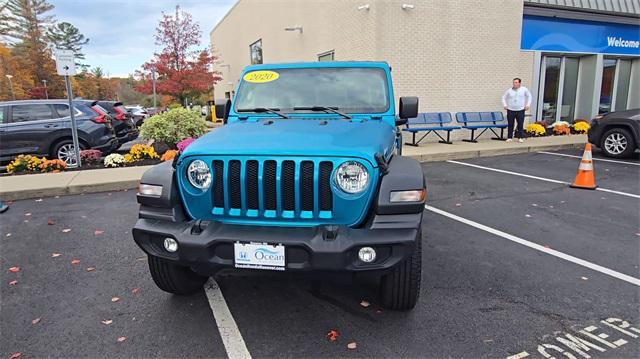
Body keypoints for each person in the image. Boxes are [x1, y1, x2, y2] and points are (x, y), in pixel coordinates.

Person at [502, 78, 531, 143]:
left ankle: (520, 137)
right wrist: (505, 105)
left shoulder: (524, 89)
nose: (514, 84)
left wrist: (528, 105)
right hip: (510, 110)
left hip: (520, 110)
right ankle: (509, 137)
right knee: (510, 124)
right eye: (514, 82)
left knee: (520, 124)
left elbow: (529, 96)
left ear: (519, 83)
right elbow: (503, 97)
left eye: (516, 82)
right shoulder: (509, 90)